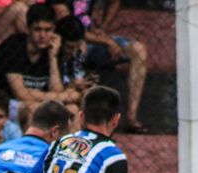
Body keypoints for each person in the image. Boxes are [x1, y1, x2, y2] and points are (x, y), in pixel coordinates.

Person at [0, 4, 81, 125]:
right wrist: (64, 96)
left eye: (47, 30)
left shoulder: (52, 48)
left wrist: (52, 57)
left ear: (54, 30)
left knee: (73, 109)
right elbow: (21, 94)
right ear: (28, 29)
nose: (43, 35)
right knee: (34, 108)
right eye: (37, 29)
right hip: (1, 104)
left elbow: (56, 90)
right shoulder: (14, 46)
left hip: (36, 102)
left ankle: (71, 139)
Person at [61, 0, 149, 133]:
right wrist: (107, 41)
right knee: (79, 47)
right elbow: (67, 28)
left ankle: (131, 117)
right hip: (71, 41)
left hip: (93, 39)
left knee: (138, 50)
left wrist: (102, 29)